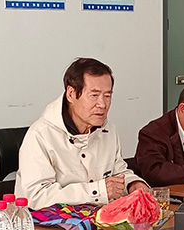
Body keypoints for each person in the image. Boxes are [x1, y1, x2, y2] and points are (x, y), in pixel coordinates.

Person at [16, 57, 148, 209]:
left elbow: (118, 173)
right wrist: (97, 191)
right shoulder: (40, 135)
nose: (102, 104)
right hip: (51, 223)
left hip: (98, 219)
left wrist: (133, 183)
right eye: (94, 95)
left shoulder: (109, 131)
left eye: (107, 96)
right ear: (71, 94)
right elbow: (36, 197)